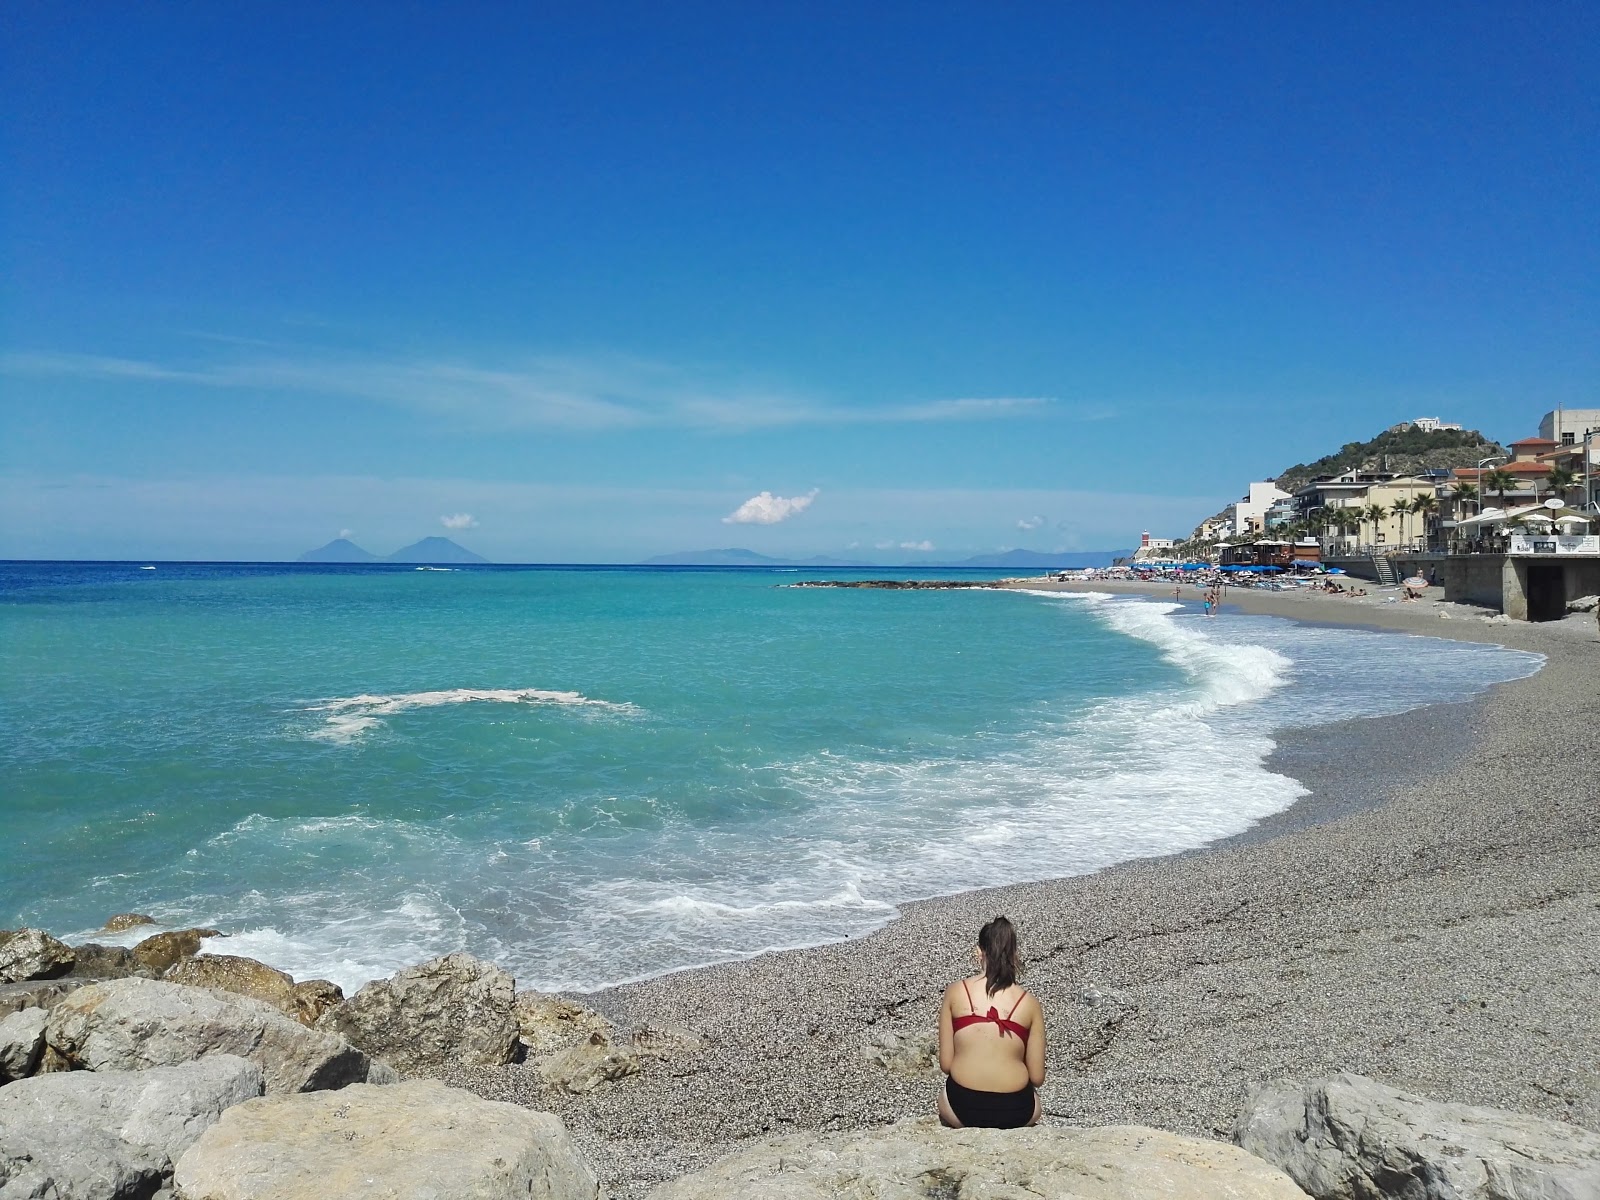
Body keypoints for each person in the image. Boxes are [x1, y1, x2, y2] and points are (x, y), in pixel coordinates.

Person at [936, 916, 1045, 1129]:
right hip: (1016, 1111)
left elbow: (946, 1064)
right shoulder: (1029, 1003)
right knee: (1037, 1102)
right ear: (1015, 955)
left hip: (963, 1108)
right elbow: (1037, 1076)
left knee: (943, 1097)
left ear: (979, 952)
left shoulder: (956, 991)